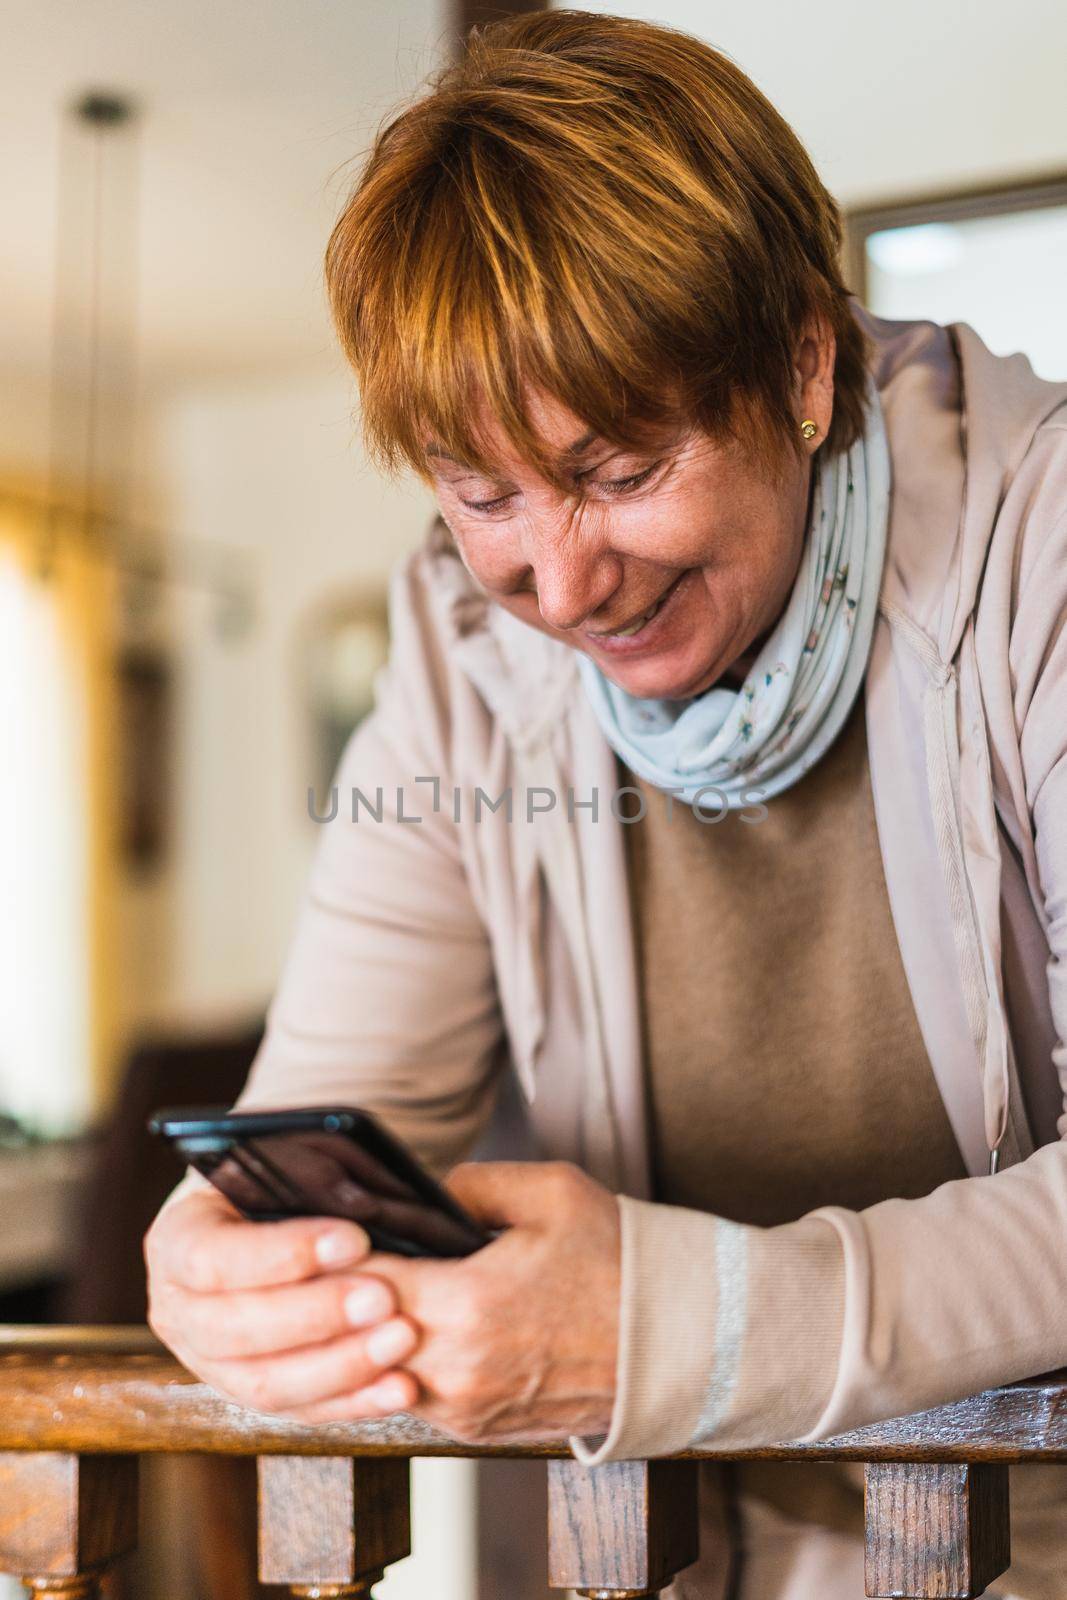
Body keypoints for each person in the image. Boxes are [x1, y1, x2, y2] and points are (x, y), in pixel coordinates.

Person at [144, 10, 1067, 1597]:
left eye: (621, 468)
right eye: (485, 493)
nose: (560, 584)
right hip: (659, 1554)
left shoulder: (1040, 547)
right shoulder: (460, 650)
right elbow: (329, 1123)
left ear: (801, 363)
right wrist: (222, 1271)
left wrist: (679, 1328)